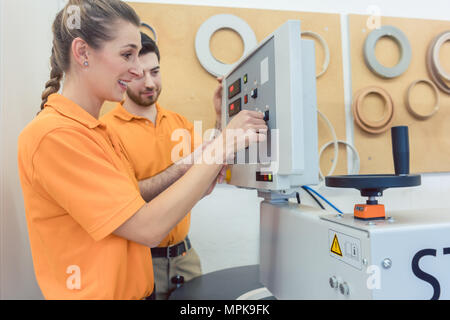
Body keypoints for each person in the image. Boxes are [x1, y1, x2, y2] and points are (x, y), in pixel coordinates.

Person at [17, 0, 267, 300]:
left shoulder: (99, 133)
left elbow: (136, 204)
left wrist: (210, 160)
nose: (138, 72)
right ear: (83, 52)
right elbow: (147, 227)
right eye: (127, 55)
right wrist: (222, 145)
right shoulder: (55, 135)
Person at [101, 33, 221, 300]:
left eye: (155, 72)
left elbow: (211, 166)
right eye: (139, 75)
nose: (149, 83)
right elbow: (127, 199)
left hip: (185, 258)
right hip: (138, 262)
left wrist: (221, 116)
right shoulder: (106, 130)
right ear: (123, 76)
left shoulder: (179, 122)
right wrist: (181, 168)